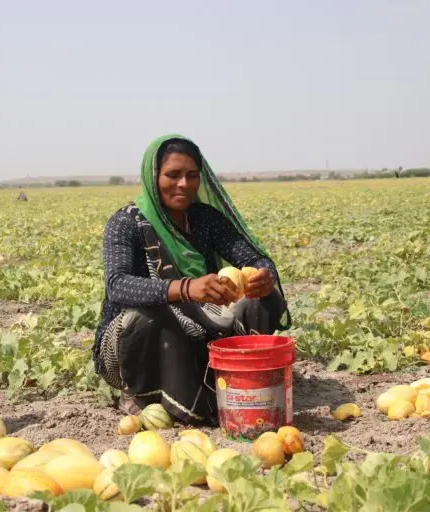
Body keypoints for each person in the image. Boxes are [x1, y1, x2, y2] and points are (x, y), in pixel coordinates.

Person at [92, 134, 290, 426]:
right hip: (135, 343)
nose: (183, 184)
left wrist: (264, 275)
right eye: (172, 175)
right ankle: (140, 393)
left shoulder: (205, 219)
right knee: (148, 313)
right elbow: (117, 285)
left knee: (265, 297)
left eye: (191, 176)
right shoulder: (126, 223)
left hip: (197, 329)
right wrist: (185, 288)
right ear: (153, 176)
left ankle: (237, 378)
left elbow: (255, 259)